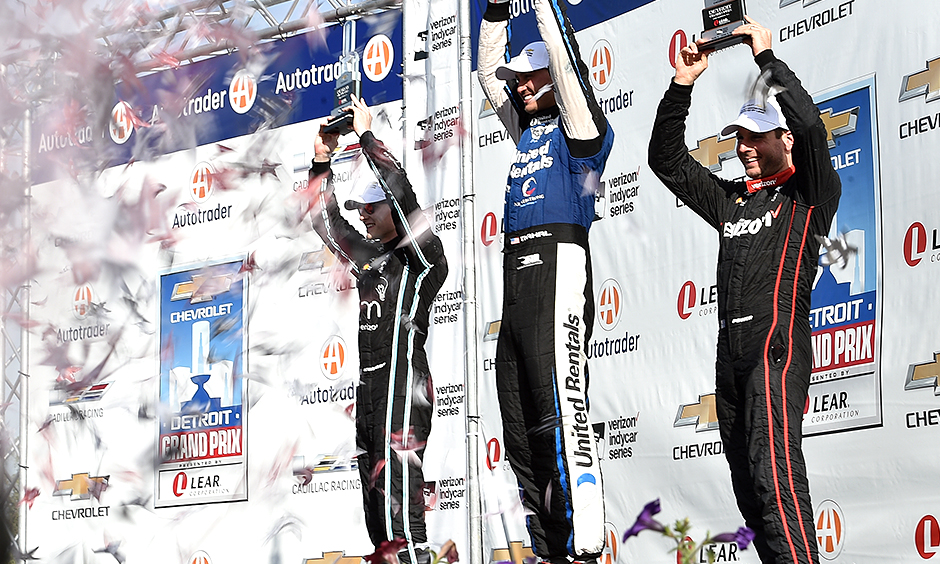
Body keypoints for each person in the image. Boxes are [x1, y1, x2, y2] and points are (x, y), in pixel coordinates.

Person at [648, 18, 841, 564]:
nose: (745, 147)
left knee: (774, 477)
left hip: (774, 348)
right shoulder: (732, 200)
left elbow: (812, 128)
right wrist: (682, 85)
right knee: (751, 493)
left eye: (758, 136)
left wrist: (766, 59)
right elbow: (666, 161)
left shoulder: (808, 193)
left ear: (784, 140)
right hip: (730, 358)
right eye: (740, 137)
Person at [478, 0, 614, 562]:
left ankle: (585, 546)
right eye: (520, 78)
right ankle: (550, 548)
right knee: (520, 426)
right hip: (517, 282)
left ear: (554, 78)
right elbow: (487, 73)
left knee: (562, 414)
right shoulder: (526, 130)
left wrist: (540, 8)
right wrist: (495, 13)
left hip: (560, 270)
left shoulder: (581, 131)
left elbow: (564, 57)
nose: (522, 85)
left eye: (532, 76)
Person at [309, 96, 448, 564]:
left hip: (403, 387)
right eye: (362, 207)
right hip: (371, 392)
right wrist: (321, 160)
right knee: (379, 524)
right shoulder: (369, 258)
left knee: (399, 517)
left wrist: (366, 137)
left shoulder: (422, 257)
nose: (365, 214)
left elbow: (403, 194)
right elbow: (326, 222)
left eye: (373, 206)